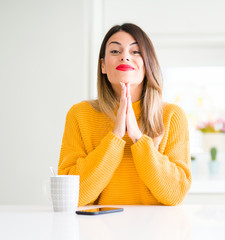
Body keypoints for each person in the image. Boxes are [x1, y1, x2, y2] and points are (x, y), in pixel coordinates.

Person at [58, 23, 192, 206]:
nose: (125, 57)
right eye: (115, 51)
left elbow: (175, 194)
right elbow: (72, 196)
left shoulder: (171, 116)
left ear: (147, 64)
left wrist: (137, 137)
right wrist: (115, 138)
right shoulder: (80, 114)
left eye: (135, 51)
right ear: (103, 65)